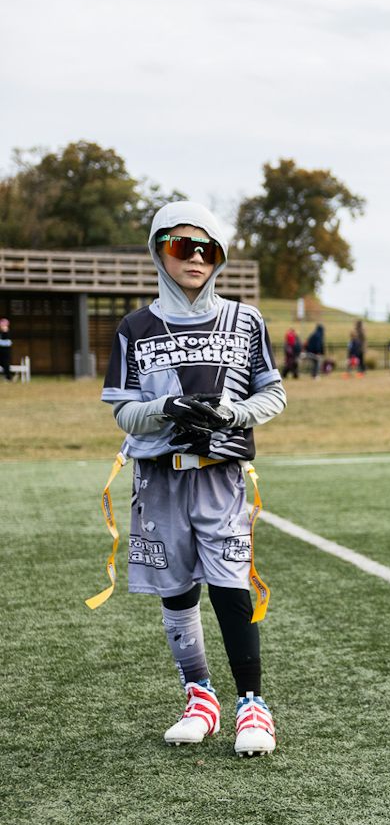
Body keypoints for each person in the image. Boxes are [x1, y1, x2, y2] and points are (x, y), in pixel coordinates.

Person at [98, 202, 286, 756]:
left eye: (207, 248)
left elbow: (271, 394)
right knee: (176, 587)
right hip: (158, 479)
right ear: (159, 250)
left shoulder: (245, 321)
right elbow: (124, 414)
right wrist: (168, 408)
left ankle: (252, 705)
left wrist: (231, 414)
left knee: (230, 584)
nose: (196, 258)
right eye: (183, 246)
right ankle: (200, 696)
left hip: (219, 477)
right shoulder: (135, 327)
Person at [0, 316, 12, 382]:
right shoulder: (1, 332)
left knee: (6, 365)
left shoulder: (7, 333)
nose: (2, 327)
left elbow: (8, 343)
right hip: (1, 352)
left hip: (5, 353)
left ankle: (8, 378)